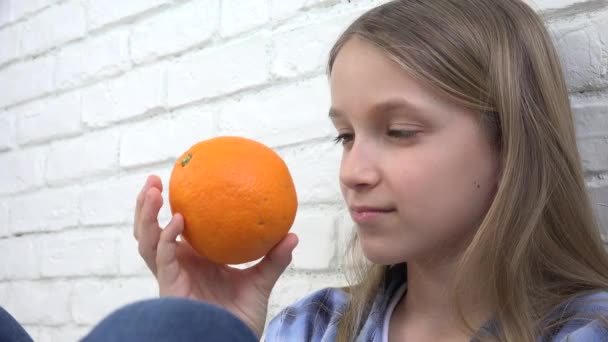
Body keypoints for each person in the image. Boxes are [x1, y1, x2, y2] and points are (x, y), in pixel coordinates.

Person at [85, 0, 608, 341]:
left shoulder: (586, 330)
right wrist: (206, 327)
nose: (353, 172)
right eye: (345, 136)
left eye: (400, 131)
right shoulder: (312, 328)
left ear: (510, 141)